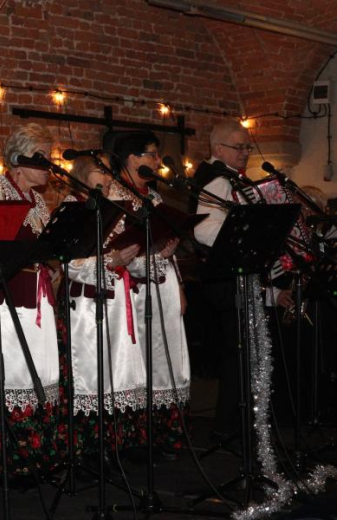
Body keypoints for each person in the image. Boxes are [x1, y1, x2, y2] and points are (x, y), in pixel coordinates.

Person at [0, 123, 61, 481]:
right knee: (11, 377)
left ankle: (32, 457)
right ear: (17, 160)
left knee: (36, 376)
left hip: (36, 301)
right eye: (40, 159)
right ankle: (9, 463)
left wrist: (52, 267)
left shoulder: (37, 201)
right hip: (7, 303)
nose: (48, 166)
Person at [60, 155, 147, 459]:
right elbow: (68, 262)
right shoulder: (73, 206)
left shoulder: (116, 208)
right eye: (102, 171)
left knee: (118, 370)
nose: (109, 177)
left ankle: (113, 445)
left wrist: (149, 252)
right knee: (93, 372)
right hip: (86, 303)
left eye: (110, 171)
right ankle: (88, 448)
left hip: (119, 301)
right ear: (83, 173)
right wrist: (110, 262)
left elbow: (129, 261)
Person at [111, 131, 190, 455]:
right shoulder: (114, 195)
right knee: (141, 363)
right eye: (152, 154)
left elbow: (166, 246)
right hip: (135, 292)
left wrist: (180, 285)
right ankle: (136, 440)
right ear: (131, 159)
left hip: (164, 287)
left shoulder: (153, 198)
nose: (157, 161)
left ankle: (163, 434)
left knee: (165, 360)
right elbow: (118, 250)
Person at [192, 121, 254, 440]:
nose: (245, 152)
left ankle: (233, 420)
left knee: (238, 351)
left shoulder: (228, 179)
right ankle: (227, 424)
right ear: (218, 150)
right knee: (235, 351)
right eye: (238, 147)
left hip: (229, 276)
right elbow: (203, 228)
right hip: (225, 277)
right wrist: (243, 242)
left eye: (247, 147)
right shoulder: (217, 181)